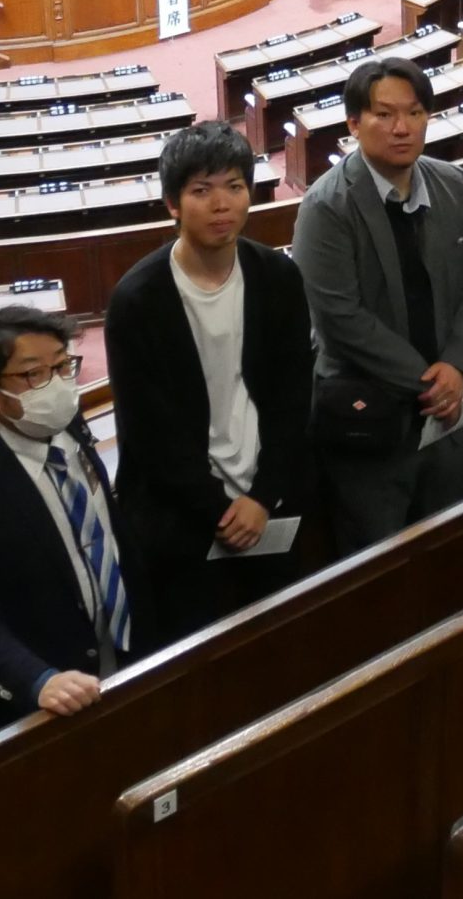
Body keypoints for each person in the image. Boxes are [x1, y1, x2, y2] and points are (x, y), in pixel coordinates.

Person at [104, 121, 316, 645]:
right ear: (173, 204)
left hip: (268, 504)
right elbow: (149, 433)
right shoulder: (138, 300)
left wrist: (262, 497)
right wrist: (219, 510)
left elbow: (293, 397)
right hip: (181, 519)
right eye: (202, 190)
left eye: (234, 186)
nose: (222, 204)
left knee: (282, 647)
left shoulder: (277, 277)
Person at [290, 57, 463, 554]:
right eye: (384, 115)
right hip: (370, 425)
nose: (401, 128)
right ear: (354, 124)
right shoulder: (325, 207)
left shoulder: (455, 184)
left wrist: (458, 367)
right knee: (377, 568)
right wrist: (432, 381)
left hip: (447, 420)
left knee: (452, 554)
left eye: (416, 112)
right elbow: (339, 318)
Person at [0, 305, 136, 742]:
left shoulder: (68, 424)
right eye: (34, 374)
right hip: (50, 696)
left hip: (123, 658)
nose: (57, 385)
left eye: (62, 366)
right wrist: (40, 680)